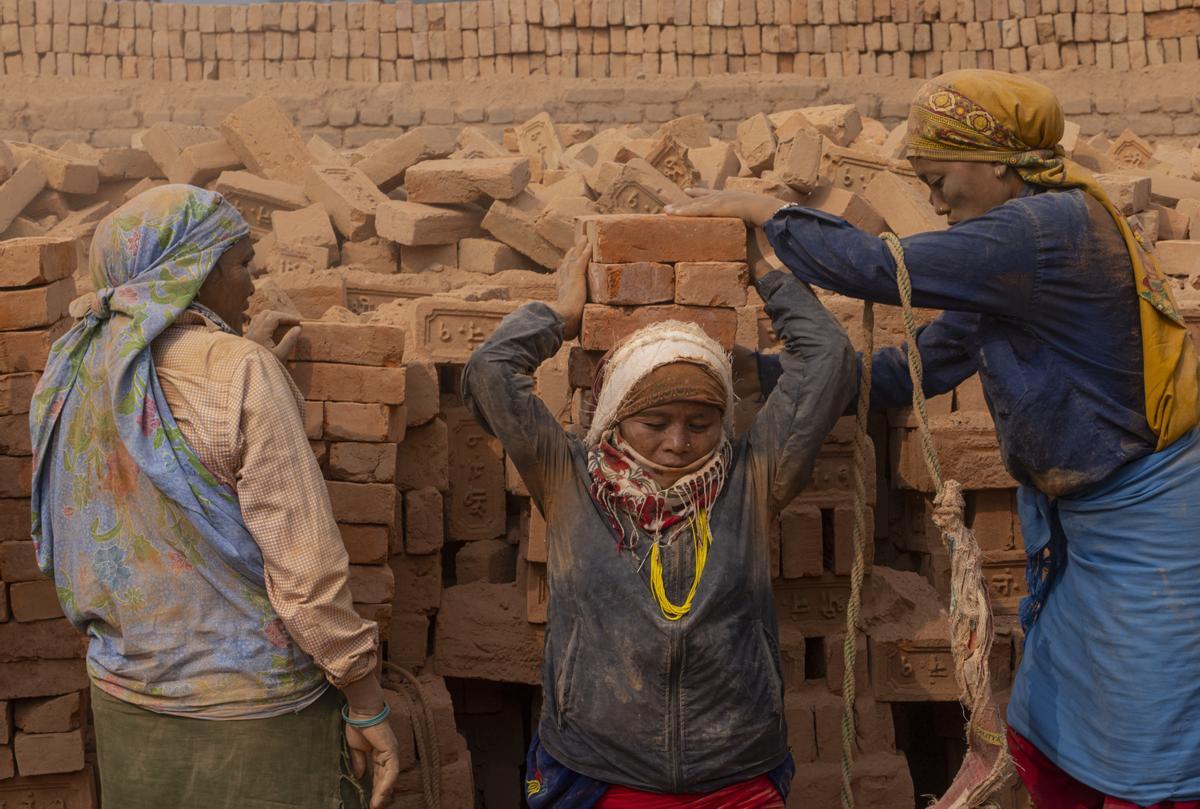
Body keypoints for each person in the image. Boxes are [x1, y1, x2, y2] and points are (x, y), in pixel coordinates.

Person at [665, 70, 1200, 807]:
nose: (938, 199)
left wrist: (770, 215)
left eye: (942, 178)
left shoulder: (1044, 230)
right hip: (1084, 531)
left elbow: (886, 270)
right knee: (1054, 727)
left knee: (1153, 739)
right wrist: (760, 373)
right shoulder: (1014, 260)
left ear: (998, 162)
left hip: (1146, 527)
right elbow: (910, 368)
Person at [28, 185, 401, 809]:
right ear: (192, 275)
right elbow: (305, 572)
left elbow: (57, 539)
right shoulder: (237, 372)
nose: (253, 280)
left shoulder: (69, 372)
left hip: (128, 702)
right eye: (240, 263)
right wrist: (365, 702)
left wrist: (243, 350)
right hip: (255, 715)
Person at [461, 230, 856, 808]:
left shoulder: (753, 481)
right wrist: (560, 314)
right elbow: (490, 373)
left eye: (700, 424)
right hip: (600, 767)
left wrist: (767, 274)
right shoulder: (567, 478)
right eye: (656, 422)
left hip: (735, 768)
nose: (678, 443)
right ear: (617, 418)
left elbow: (829, 357)